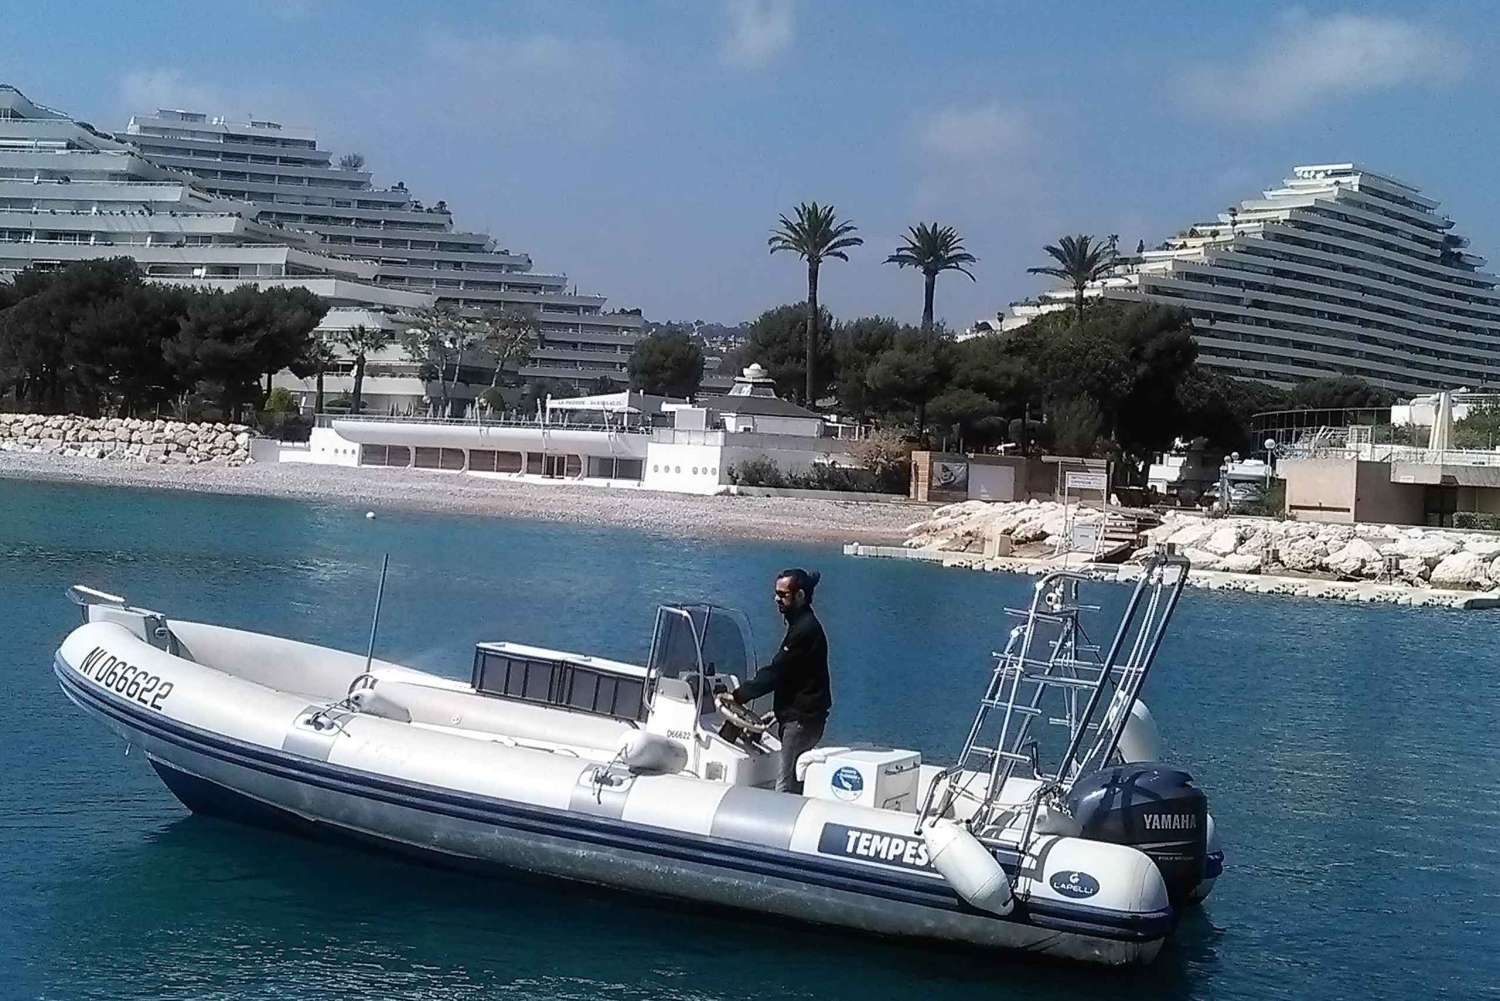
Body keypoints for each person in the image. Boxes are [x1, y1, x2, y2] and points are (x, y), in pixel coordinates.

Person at [730, 568, 831, 793]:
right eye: (776, 593)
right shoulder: (802, 625)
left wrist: (739, 695)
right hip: (803, 718)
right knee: (792, 782)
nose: (776, 599)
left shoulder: (804, 630)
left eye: (782, 594)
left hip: (800, 722)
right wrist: (777, 712)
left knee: (784, 786)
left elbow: (777, 672)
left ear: (800, 595)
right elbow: (797, 675)